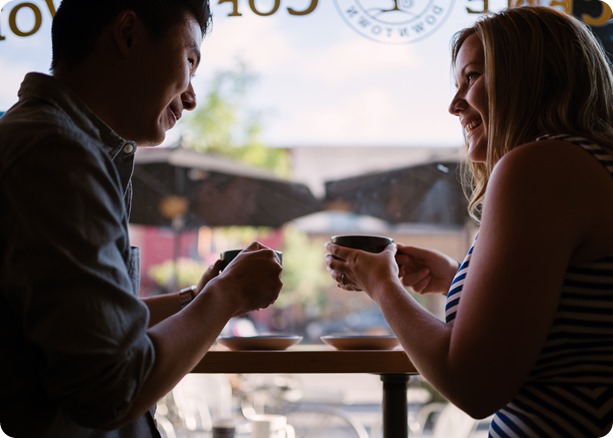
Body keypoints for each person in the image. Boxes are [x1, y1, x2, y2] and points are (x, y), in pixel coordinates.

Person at [325, 6, 613, 437]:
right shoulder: (589, 163)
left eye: (472, 77)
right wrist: (458, 278)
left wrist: (382, 284)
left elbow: (473, 385)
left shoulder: (540, 166)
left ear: (530, 77)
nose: (454, 104)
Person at [0, 0, 283, 436]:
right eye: (190, 61)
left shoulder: (51, 141)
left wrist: (195, 299)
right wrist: (229, 295)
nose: (191, 97)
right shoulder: (56, 153)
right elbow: (110, 387)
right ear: (128, 33)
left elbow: (88, 327)